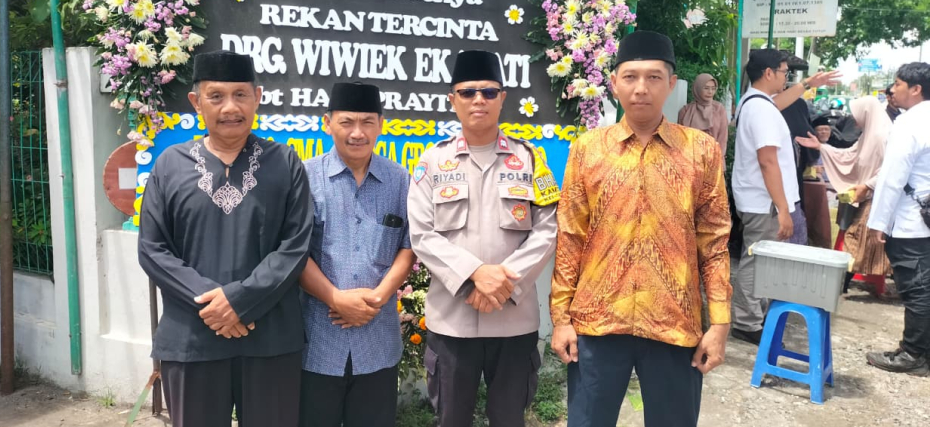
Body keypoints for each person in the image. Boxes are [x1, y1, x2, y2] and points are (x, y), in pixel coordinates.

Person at [551, 31, 731, 427]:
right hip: (597, 321)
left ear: (671, 84)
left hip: (674, 323)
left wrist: (719, 322)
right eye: (630, 77)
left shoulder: (700, 150)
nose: (641, 88)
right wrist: (561, 318)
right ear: (614, 83)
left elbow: (715, 242)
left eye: (653, 77)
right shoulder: (588, 149)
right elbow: (570, 237)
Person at [138, 50, 312, 427]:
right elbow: (153, 250)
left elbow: (296, 246)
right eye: (216, 96)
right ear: (196, 101)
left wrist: (239, 302)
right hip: (191, 341)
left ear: (257, 97)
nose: (230, 107)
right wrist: (214, 304)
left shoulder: (286, 163)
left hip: (270, 340)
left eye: (240, 94)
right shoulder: (169, 165)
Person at [407, 50, 559, 427]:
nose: (479, 100)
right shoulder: (431, 162)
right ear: (452, 100)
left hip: (514, 321)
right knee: (452, 419)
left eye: (489, 92)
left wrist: (503, 284)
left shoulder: (531, 159)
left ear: (502, 98)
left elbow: (548, 228)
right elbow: (422, 234)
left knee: (509, 419)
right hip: (453, 322)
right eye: (468, 92)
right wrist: (475, 275)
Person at [298, 82, 414, 427]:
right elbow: (293, 252)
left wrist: (378, 298)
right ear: (327, 123)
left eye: (367, 122)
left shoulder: (400, 180)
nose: (357, 133)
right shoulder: (304, 177)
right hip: (317, 341)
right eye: (347, 122)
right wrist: (335, 297)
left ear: (381, 125)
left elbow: (408, 246)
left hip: (377, 340)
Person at [731, 49, 807, 346]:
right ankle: (746, 322)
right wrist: (783, 208)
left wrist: (808, 84)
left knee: (761, 261)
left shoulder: (756, 102)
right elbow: (767, 161)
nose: (787, 78)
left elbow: (779, 102)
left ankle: (752, 317)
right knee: (757, 262)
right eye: (785, 72)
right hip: (765, 202)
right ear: (768, 73)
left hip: (761, 200)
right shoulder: (761, 109)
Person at [866, 62, 930, 375]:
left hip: (910, 221)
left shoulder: (910, 123)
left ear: (916, 89)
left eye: (898, 83)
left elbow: (892, 178)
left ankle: (913, 354)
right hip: (924, 217)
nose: (893, 90)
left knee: (917, 290)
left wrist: (879, 222)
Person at [796, 97, 892, 285]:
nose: (854, 120)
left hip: (875, 197)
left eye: (857, 114)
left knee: (857, 238)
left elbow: (890, 170)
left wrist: (868, 185)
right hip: (865, 194)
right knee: (858, 239)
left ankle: (841, 282)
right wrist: (821, 147)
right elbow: (849, 155)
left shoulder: (882, 136)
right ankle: (845, 282)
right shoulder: (869, 135)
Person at [678, 73, 729, 156]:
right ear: (698, 88)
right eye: (706, 88)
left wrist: (717, 157)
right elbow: (680, 139)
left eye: (713, 88)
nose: (710, 92)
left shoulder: (719, 109)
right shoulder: (686, 111)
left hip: (714, 158)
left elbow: (723, 138)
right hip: (690, 159)